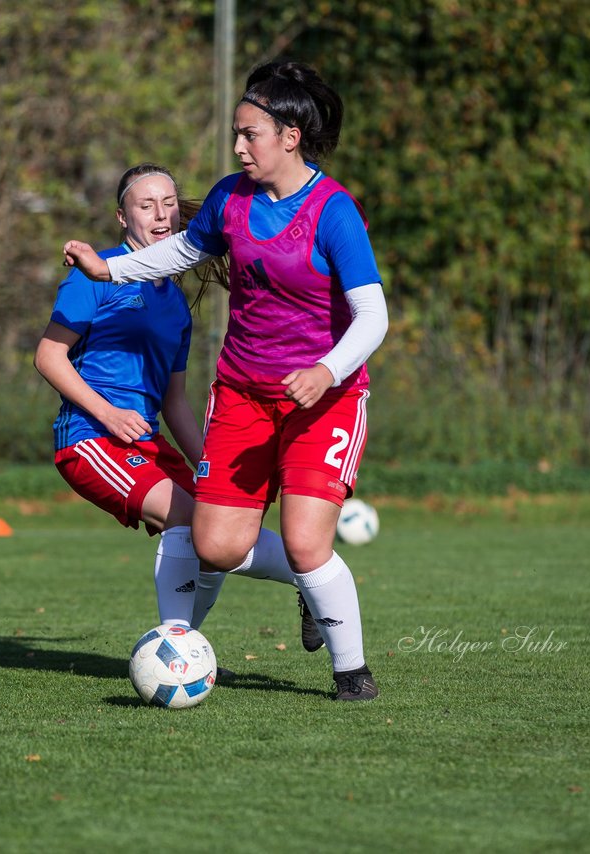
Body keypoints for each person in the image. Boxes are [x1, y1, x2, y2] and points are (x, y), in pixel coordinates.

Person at [62, 62, 390, 701]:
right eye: (237, 135)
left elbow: (372, 314)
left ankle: (351, 672)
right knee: (213, 543)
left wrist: (326, 371)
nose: (238, 147)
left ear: (290, 136)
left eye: (250, 134)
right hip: (243, 393)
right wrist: (110, 271)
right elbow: (183, 250)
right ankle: (201, 638)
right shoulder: (230, 199)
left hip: (326, 399)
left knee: (303, 543)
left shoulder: (334, 210)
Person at [34, 162, 308, 646]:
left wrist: (211, 463)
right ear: (123, 217)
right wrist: (109, 412)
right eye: (145, 205)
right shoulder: (94, 274)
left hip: (146, 441)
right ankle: (303, 577)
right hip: (90, 438)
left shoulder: (176, 303)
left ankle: (186, 642)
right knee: (187, 518)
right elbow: (48, 357)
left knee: (213, 529)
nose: (160, 215)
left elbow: (175, 402)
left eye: (167, 204)